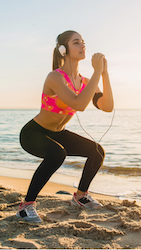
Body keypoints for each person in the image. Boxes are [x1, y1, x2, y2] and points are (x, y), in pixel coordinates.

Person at [17, 30, 114, 223]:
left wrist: (104, 73)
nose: (82, 45)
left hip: (58, 134)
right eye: (76, 42)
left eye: (83, 42)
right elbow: (79, 104)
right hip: (34, 133)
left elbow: (107, 107)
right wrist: (96, 72)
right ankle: (25, 207)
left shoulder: (86, 81)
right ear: (63, 50)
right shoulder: (55, 77)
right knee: (57, 153)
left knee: (97, 151)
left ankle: (80, 196)